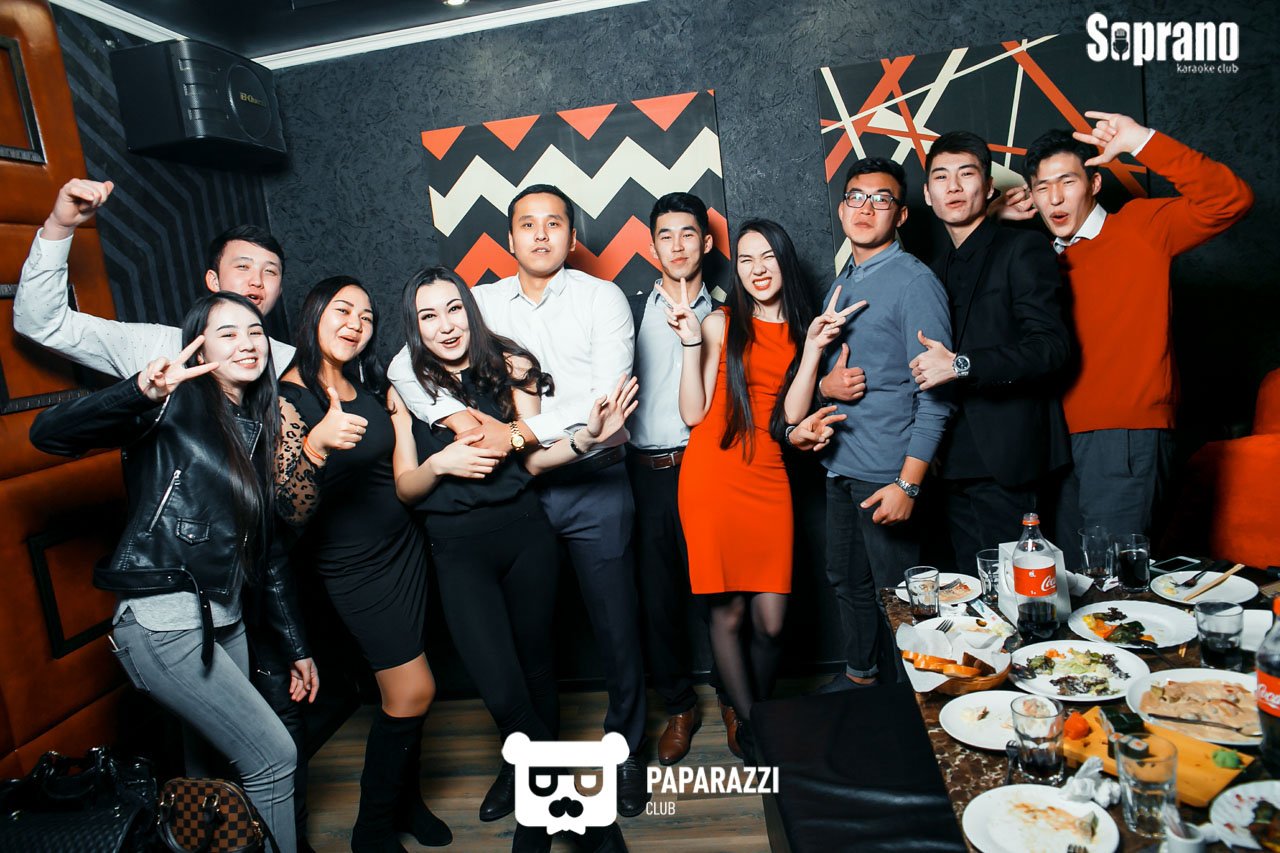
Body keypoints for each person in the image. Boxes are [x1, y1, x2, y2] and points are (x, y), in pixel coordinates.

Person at [14, 177, 322, 848]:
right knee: (271, 757)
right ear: (211, 284)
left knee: (210, 773)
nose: (258, 281)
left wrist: (296, 644)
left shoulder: (270, 373)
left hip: (227, 610)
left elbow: (266, 536)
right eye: (243, 267)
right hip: (167, 608)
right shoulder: (165, 356)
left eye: (271, 272)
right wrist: (140, 389)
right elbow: (46, 347)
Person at [387, 185, 651, 818]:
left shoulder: (602, 297)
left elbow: (605, 401)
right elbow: (403, 363)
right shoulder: (477, 302)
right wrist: (454, 419)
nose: (540, 234)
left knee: (615, 627)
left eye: (553, 223)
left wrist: (514, 433)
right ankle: (524, 763)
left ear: (572, 236)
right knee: (520, 647)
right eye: (527, 224)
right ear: (508, 238)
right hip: (515, 499)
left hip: (588, 477)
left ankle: (626, 751)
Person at [1016, 111, 1253, 549]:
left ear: (1095, 183)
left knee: (1112, 575)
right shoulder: (1037, 259)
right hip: (1055, 440)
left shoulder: (1141, 228)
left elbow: (1230, 199)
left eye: (1067, 181)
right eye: (1042, 187)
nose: (1055, 198)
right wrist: (994, 217)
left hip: (1123, 434)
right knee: (1065, 576)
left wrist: (1143, 141)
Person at [666, 218, 854, 760]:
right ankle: (755, 724)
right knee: (727, 613)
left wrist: (812, 349)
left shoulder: (801, 330)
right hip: (711, 476)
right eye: (746, 260)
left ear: (784, 261)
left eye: (767, 256)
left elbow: (790, 414)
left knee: (771, 621)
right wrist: (690, 343)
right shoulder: (720, 323)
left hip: (768, 476)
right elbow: (692, 412)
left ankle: (755, 710)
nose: (757, 269)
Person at [275, 277, 451, 852]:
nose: (355, 323)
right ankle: (371, 830)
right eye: (342, 310)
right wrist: (316, 444)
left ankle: (407, 803)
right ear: (314, 314)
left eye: (367, 316)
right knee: (412, 691)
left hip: (405, 551)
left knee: (408, 690)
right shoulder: (288, 396)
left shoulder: (365, 383)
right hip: (355, 567)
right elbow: (285, 508)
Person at [811, 157, 954, 691]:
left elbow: (937, 393)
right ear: (842, 208)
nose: (866, 208)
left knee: (898, 597)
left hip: (887, 474)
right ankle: (861, 682)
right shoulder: (844, 281)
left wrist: (908, 483)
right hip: (841, 466)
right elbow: (836, 371)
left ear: (902, 214)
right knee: (847, 582)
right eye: (856, 196)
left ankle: (912, 706)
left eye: (881, 199)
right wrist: (824, 388)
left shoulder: (914, 282)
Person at [912, 131, 1071, 574]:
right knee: (973, 594)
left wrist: (962, 365)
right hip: (949, 463)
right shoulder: (930, 272)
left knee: (1024, 593)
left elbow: (1051, 348)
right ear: (927, 194)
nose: (953, 187)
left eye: (966, 175)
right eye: (941, 177)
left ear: (988, 188)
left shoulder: (1022, 248)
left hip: (1010, 459)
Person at [629, 192, 724, 763]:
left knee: (720, 594)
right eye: (666, 235)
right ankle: (680, 706)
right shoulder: (627, 311)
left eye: (688, 233)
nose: (678, 245)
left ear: (706, 243)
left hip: (706, 467)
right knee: (658, 599)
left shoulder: (727, 313)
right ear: (652, 247)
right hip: (645, 474)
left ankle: (734, 701)